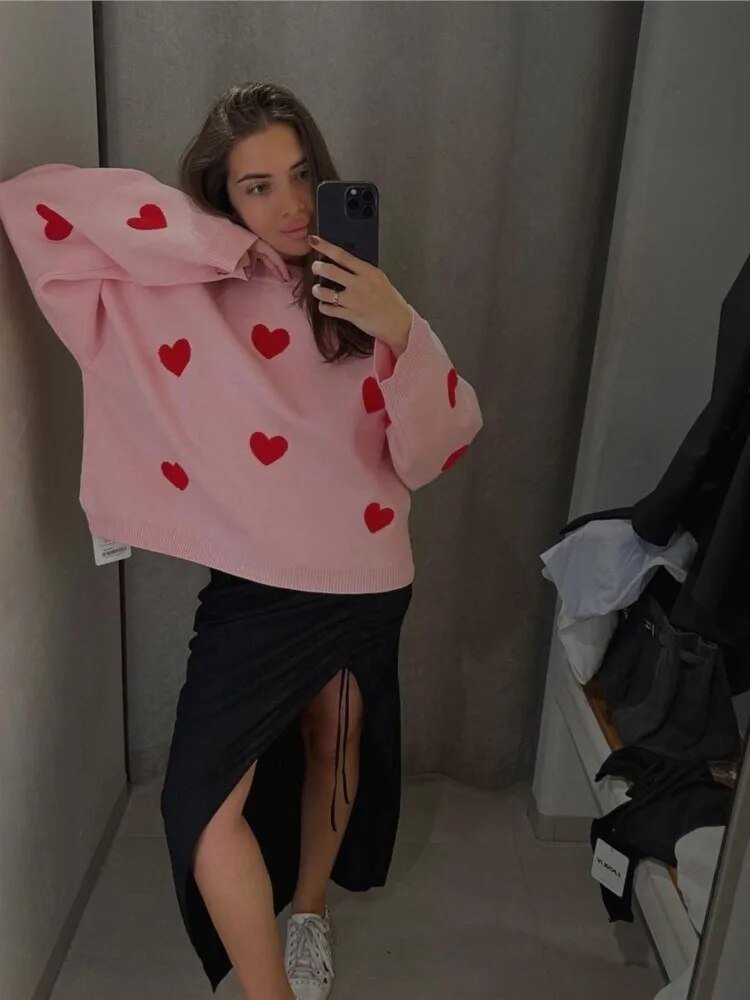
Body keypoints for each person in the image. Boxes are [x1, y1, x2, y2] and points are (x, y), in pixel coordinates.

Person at [0, 80, 483, 1000]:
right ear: (221, 195)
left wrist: (399, 326)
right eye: (257, 185)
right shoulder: (193, 286)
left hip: (362, 576)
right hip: (255, 585)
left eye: (301, 175)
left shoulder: (364, 293)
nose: (292, 204)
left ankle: (310, 912)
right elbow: (36, 205)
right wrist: (219, 241)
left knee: (334, 742)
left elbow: (438, 447)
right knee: (200, 801)